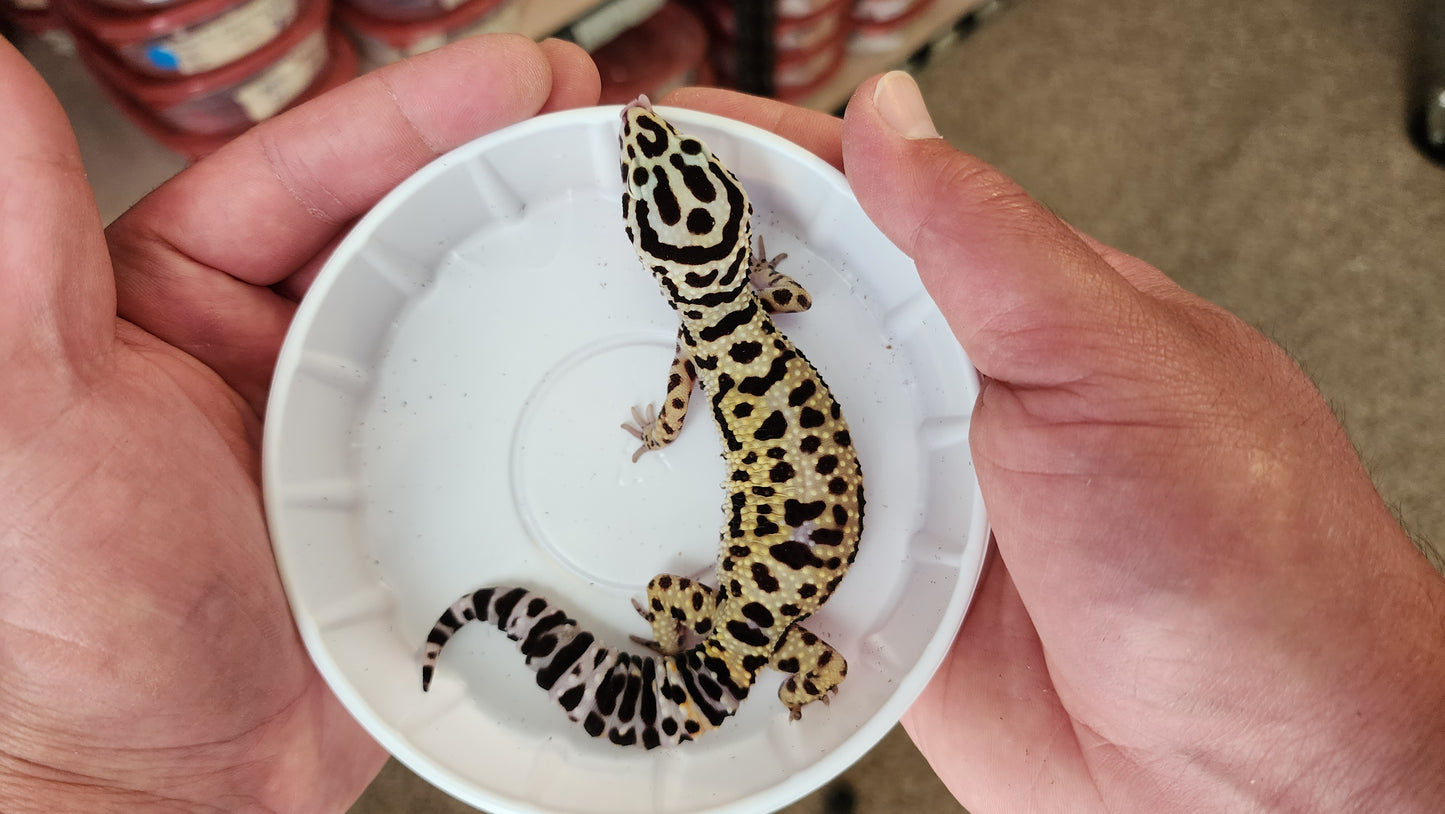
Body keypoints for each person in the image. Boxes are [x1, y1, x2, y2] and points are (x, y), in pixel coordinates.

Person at [1, 33, 1440, 814]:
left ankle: (542, 629)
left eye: (657, 178)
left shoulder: (712, 336)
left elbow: (702, 388)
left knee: (686, 621)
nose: (651, 152)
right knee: (687, 609)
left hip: (775, 606)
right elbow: (732, 356)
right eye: (659, 175)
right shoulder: (743, 309)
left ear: (671, 246)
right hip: (756, 592)